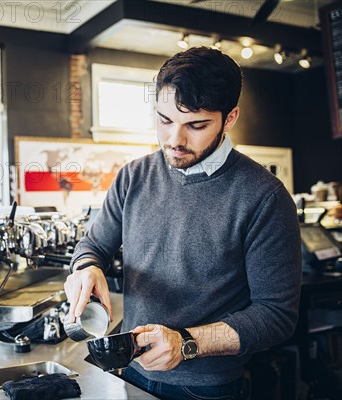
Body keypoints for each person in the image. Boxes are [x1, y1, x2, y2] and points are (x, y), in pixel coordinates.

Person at [64, 46, 301, 400]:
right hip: (130, 371)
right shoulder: (133, 176)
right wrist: (86, 268)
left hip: (206, 387)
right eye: (164, 120)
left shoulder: (264, 196)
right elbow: (93, 246)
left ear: (230, 117)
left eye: (196, 125)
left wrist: (187, 342)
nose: (174, 140)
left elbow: (276, 315)